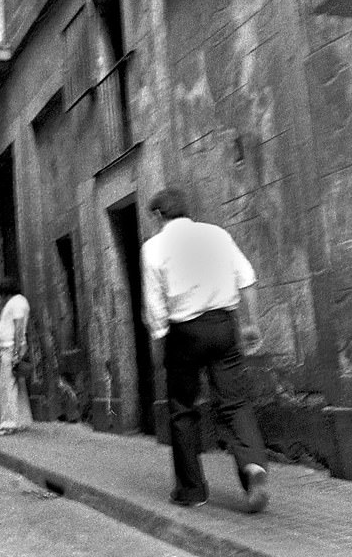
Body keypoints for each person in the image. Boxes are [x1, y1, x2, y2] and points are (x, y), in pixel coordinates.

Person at [141, 187, 269, 512]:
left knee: (183, 409)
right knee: (235, 402)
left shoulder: (153, 247)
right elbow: (247, 277)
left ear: (159, 215)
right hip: (224, 325)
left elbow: (155, 308)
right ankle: (253, 467)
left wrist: (160, 348)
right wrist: (251, 323)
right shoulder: (217, 235)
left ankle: (192, 490)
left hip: (184, 333)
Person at [0, 277, 32, 436]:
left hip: (10, 348)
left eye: (1, 295)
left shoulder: (16, 302)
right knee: (19, 387)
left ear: (5, 293)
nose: (0, 299)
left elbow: (18, 328)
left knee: (7, 386)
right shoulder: (20, 301)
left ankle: (9, 423)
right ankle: (22, 420)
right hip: (12, 347)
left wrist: (16, 353)